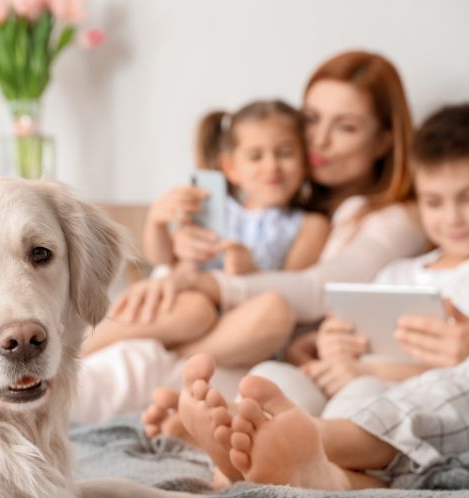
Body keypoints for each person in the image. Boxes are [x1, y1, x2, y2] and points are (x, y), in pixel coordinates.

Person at [170, 102, 469, 490]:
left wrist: (363, 372)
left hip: (397, 395)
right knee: (272, 377)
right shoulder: (398, 271)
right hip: (347, 380)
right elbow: (347, 331)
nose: (452, 218)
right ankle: (240, 463)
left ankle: (304, 458)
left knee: (365, 394)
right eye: (434, 202)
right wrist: (330, 343)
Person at [76, 50, 428, 423]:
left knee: (169, 351)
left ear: (384, 140)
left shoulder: (394, 220)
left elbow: (314, 289)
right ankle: (86, 350)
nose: (319, 141)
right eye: (311, 119)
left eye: (346, 127)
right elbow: (176, 256)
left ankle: (152, 359)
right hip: (203, 328)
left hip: (253, 347)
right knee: (150, 343)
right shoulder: (278, 200)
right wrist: (171, 243)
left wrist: (202, 281)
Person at [82, 99, 330, 357]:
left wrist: (251, 271)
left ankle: (178, 357)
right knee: (195, 310)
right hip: (189, 309)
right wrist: (157, 222)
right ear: (231, 168)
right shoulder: (211, 205)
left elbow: (294, 290)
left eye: (285, 153)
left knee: (272, 310)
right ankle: (82, 349)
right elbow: (163, 259)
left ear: (305, 160)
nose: (272, 166)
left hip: (240, 322)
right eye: (256, 156)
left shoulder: (310, 225)